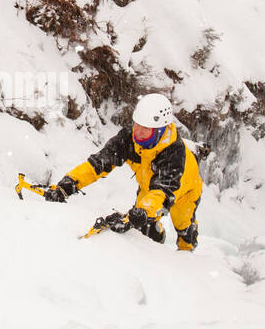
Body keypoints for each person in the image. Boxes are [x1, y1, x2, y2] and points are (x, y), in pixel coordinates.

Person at [43, 94, 202, 250]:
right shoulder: (129, 138)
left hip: (184, 191)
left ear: (160, 130)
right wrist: (69, 183)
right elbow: (99, 163)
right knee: (144, 229)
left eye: (145, 128)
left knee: (183, 225)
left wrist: (144, 211)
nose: (138, 132)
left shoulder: (173, 152)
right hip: (149, 189)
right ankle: (156, 246)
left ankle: (186, 256)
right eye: (136, 124)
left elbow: (162, 190)